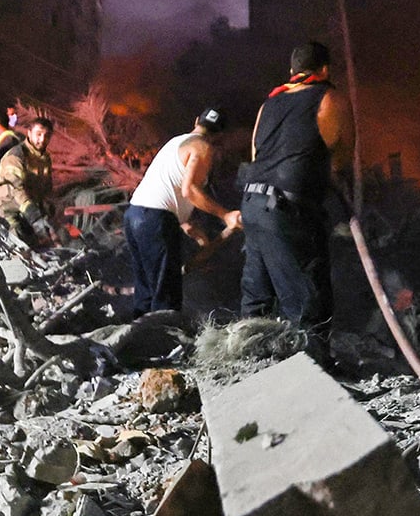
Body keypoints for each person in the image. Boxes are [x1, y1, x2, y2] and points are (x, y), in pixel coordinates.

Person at [240, 41, 351, 342]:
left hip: (251, 204)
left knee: (257, 299)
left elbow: (254, 155)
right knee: (308, 298)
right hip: (288, 210)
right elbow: (340, 157)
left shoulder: (268, 104)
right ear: (325, 69)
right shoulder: (329, 98)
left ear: (292, 71)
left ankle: (250, 366)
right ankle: (313, 364)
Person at [124, 108, 241, 314]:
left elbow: (167, 183)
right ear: (220, 135)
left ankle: (139, 338)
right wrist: (226, 215)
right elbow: (190, 189)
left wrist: (182, 221)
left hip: (134, 214)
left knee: (147, 291)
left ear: (197, 121)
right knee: (166, 295)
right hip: (156, 219)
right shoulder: (203, 147)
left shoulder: (175, 142)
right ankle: (166, 340)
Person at [0, 116, 57, 243]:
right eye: (38, 134)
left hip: (29, 212)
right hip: (7, 211)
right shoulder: (16, 156)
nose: (42, 140)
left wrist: (49, 210)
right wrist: (35, 217)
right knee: (19, 247)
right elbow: (17, 189)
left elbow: (46, 188)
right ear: (29, 133)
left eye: (47, 136)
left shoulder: (45, 158)